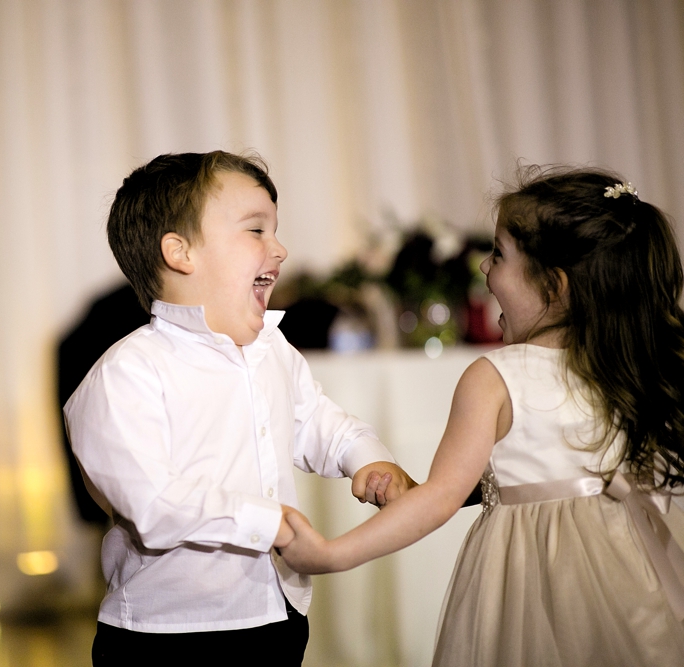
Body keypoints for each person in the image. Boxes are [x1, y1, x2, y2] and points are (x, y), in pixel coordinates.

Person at [280, 166, 684, 666]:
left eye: (498, 254)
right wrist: (419, 493)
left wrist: (330, 553)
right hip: (630, 574)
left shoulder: (495, 376)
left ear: (554, 285)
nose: (484, 270)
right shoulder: (629, 367)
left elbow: (442, 498)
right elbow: (529, 474)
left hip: (535, 588)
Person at [63, 151, 415, 666]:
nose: (280, 248)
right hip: (170, 633)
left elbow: (318, 421)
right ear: (180, 252)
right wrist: (266, 521)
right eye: (256, 230)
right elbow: (152, 502)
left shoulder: (273, 350)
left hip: (275, 614)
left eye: (275, 230)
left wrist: (368, 458)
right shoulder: (128, 373)